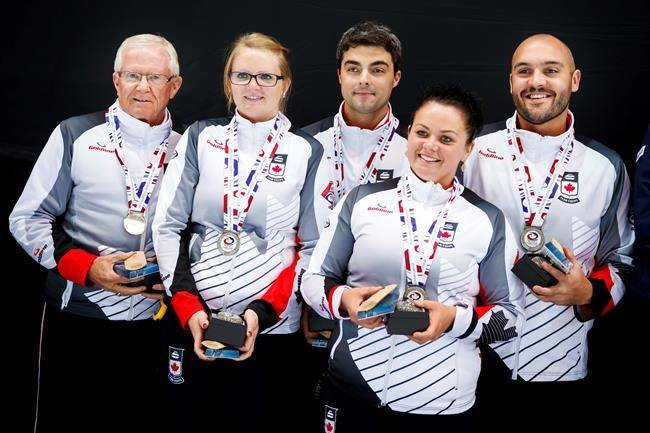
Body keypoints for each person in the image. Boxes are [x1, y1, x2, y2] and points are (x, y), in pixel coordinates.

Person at [302, 84, 524, 432]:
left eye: (447, 139)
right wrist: (345, 300)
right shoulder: (361, 199)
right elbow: (313, 281)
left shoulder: (488, 219)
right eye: (422, 132)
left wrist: (453, 319)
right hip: (352, 386)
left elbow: (510, 320)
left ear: (468, 148)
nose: (430, 146)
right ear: (409, 135)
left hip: (441, 400)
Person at [8, 34, 183, 432]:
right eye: (132, 75)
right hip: (79, 313)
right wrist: (88, 268)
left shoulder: (189, 146)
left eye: (155, 77)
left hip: (155, 319)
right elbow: (27, 219)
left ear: (174, 86)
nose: (142, 86)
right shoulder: (76, 133)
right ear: (115, 80)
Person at [152, 32, 321, 432]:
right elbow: (167, 225)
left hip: (269, 328)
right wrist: (189, 308)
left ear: (285, 85)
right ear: (228, 82)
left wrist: (261, 315)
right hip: (193, 319)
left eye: (266, 77)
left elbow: (313, 246)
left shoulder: (306, 152)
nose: (253, 86)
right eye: (242, 75)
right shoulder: (201, 138)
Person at [462, 34, 634, 424]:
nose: (536, 81)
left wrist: (589, 291)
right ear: (510, 82)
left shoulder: (605, 165)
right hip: (471, 358)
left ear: (574, 80)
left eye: (550, 71)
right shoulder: (471, 150)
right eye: (524, 71)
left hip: (561, 361)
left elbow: (622, 259)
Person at [298, 22, 408, 418]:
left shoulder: (418, 153)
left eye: (377, 69)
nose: (364, 79)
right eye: (353, 67)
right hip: (302, 315)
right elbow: (286, 232)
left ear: (395, 77)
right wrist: (307, 299)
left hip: (382, 323)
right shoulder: (303, 145)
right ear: (339, 74)